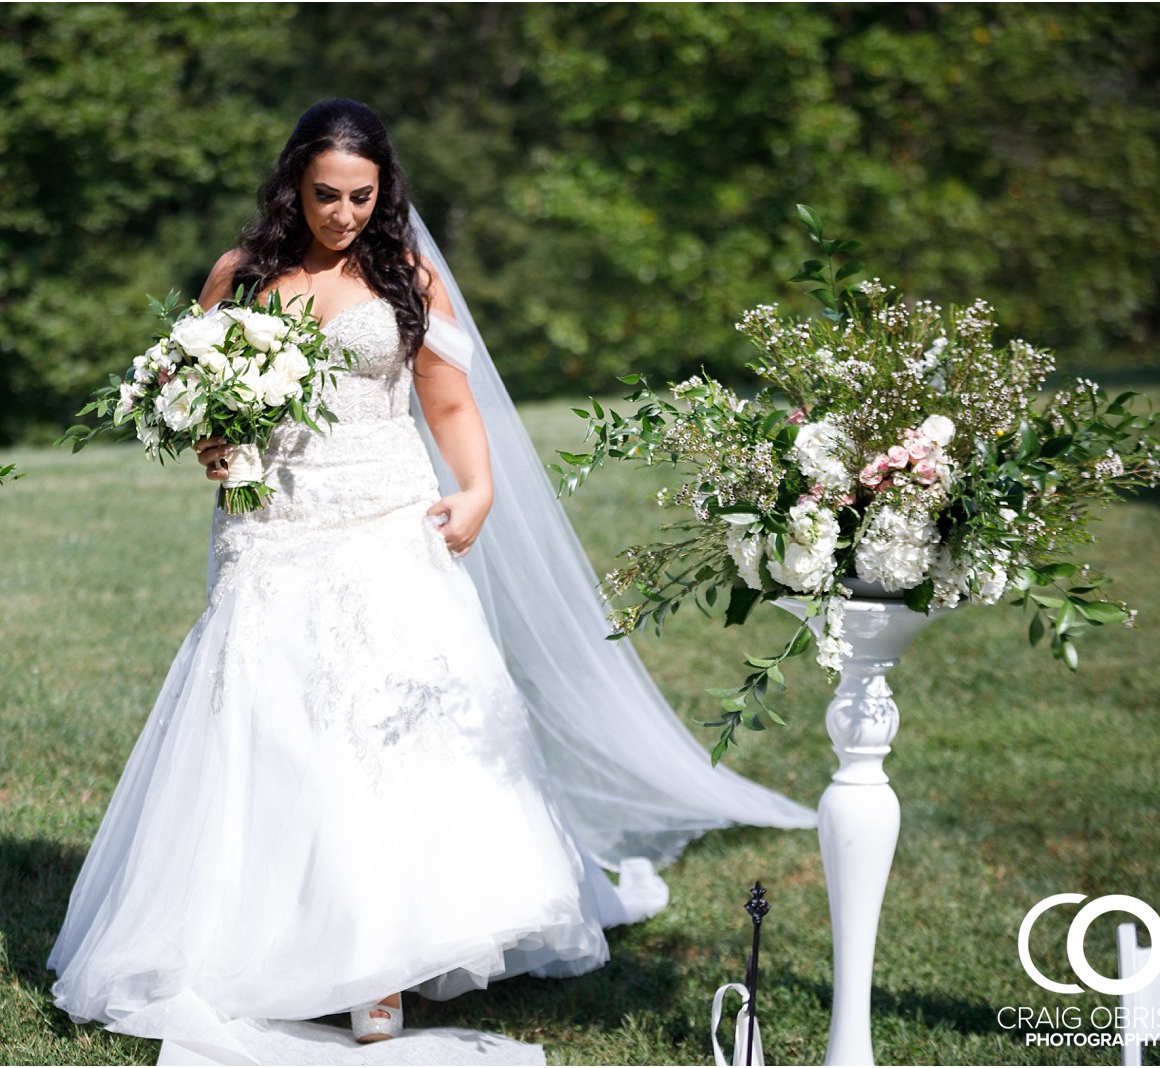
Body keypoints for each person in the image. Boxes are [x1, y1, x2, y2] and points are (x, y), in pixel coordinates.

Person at [47, 99, 814, 1062]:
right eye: (325, 195)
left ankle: (382, 966)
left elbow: (446, 399)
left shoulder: (401, 275)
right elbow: (193, 394)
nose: (343, 214)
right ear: (293, 184)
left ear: (384, 191)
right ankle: (259, 940)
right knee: (271, 726)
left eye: (362, 196)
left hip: (385, 521)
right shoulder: (239, 279)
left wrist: (479, 487)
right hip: (273, 527)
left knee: (384, 732)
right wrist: (212, 440)